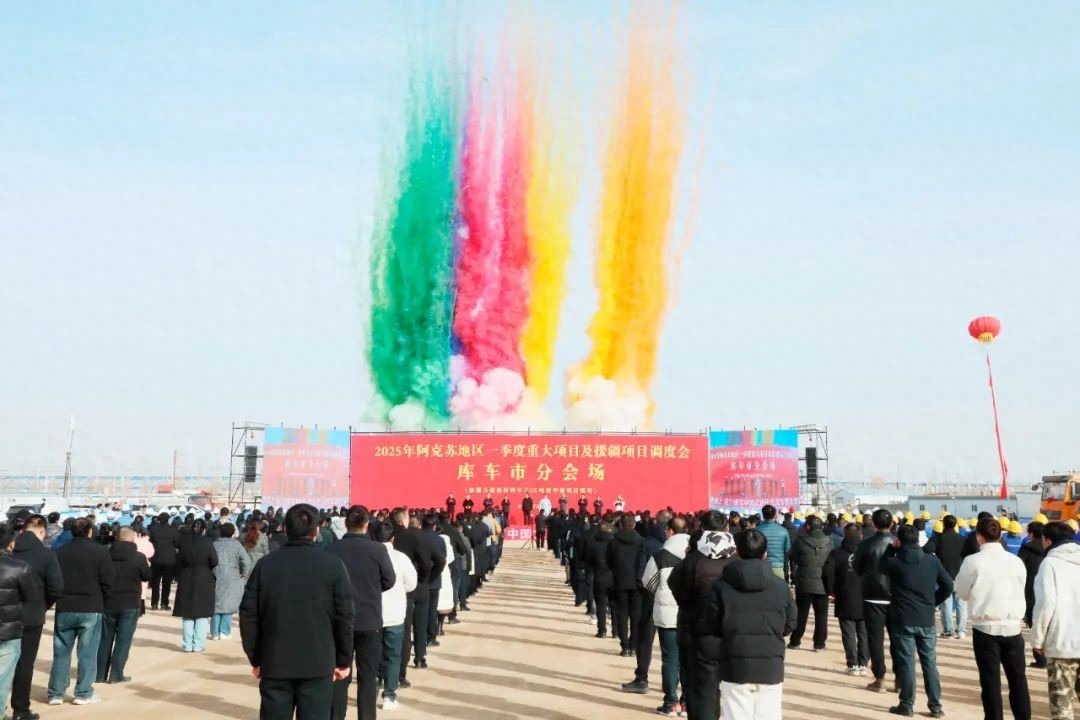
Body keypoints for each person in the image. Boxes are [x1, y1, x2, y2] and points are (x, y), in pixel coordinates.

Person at [240, 504, 354, 720]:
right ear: (317, 531)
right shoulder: (333, 565)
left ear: (285, 529)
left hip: (275, 660)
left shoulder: (266, 565)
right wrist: (343, 660)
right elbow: (345, 616)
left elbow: (248, 614)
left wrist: (256, 656)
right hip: (318, 662)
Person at [706, 528, 796, 720]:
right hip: (771, 663)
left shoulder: (720, 586)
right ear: (765, 554)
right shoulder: (781, 587)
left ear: (737, 552)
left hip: (734, 662)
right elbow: (790, 624)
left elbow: (711, 624)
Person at [954, 517, 1030, 720]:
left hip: (985, 628)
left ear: (979, 536)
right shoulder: (1016, 561)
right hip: (1013, 627)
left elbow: (961, 592)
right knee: (1018, 680)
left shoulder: (972, 561)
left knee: (990, 682)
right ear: (1000, 534)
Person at [667, 512, 737, 720]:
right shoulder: (737, 557)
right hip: (732, 630)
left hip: (696, 631)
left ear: (702, 528)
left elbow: (677, 587)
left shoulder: (693, 559)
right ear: (726, 528)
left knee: (702, 691)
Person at [328, 506, 396, 720]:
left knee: (340, 673)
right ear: (367, 525)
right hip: (369, 619)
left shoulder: (332, 549)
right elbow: (389, 580)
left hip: (339, 621)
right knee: (368, 676)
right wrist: (371, 589)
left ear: (346, 524)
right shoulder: (378, 550)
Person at [881, 523, 951, 718]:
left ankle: (907, 703)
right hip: (926, 618)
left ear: (899, 541)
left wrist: (890, 548)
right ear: (918, 539)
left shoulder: (894, 563)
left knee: (907, 662)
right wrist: (933, 602)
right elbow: (948, 585)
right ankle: (935, 706)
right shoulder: (932, 561)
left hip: (903, 618)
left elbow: (880, 566)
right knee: (929, 663)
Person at [48, 517, 115, 706]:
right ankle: (83, 692)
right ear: (90, 531)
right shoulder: (100, 551)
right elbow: (108, 580)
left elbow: (53, 579)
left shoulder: (60, 551)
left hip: (65, 606)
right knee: (87, 653)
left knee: (61, 652)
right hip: (90, 606)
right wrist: (103, 599)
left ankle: (56, 693)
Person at [10, 514, 62, 720]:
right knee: (25, 663)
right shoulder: (46, 554)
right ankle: (20, 709)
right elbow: (56, 587)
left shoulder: (8, 550)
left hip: (5, 614)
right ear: (42, 531)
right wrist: (43, 605)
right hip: (32, 616)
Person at [641, 516, 690, 717]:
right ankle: (686, 703)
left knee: (670, 659)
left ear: (670, 531)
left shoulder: (660, 556)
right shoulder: (696, 554)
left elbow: (648, 582)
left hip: (667, 614)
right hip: (690, 615)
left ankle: (670, 702)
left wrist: (662, 591)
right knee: (688, 660)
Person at [1030, 521, 1080, 720]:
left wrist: (1037, 640)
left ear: (1048, 541)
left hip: (1062, 646)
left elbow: (1046, 604)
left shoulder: (1049, 564)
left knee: (1062, 709)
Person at [96, 526, 150, 684]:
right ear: (132, 538)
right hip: (130, 602)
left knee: (105, 639)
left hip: (108, 601)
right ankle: (116, 674)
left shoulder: (105, 554)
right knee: (123, 640)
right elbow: (147, 576)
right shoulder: (138, 557)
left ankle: (100, 674)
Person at [374, 521, 416, 711]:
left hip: (372, 614)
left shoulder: (368, 557)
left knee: (373, 653)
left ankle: (375, 683)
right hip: (395, 613)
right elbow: (411, 584)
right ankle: (389, 695)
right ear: (392, 539)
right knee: (393, 654)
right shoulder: (401, 558)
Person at [852, 508, 895, 693]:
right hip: (895, 597)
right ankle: (900, 678)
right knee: (898, 639)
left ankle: (880, 678)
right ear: (891, 523)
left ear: (874, 524)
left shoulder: (866, 544)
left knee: (875, 639)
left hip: (872, 596)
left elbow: (857, 567)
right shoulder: (898, 542)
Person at [391, 509, 434, 689]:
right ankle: (401, 674)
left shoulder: (383, 534)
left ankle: (383, 674)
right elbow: (425, 563)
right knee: (407, 629)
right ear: (403, 520)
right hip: (410, 587)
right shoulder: (413, 536)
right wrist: (421, 579)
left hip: (386, 588)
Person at [0, 525, 35, 718]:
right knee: (2, 679)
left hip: (9, 630)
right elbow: (31, 596)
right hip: (9, 630)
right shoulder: (20, 568)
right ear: (11, 544)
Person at [825, 522, 868, 675]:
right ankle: (863, 663)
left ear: (844, 535)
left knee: (848, 633)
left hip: (844, 596)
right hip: (865, 596)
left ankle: (853, 664)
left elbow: (828, 573)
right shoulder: (867, 552)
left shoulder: (836, 553)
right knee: (864, 632)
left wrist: (831, 591)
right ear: (861, 536)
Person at [173, 518, 218, 652]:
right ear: (204, 530)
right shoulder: (208, 542)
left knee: (187, 612)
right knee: (202, 613)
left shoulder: (184, 542)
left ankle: (187, 644)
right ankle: (198, 644)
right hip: (204, 576)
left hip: (187, 575)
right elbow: (214, 560)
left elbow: (179, 560)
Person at [788, 514, 831, 651]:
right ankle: (819, 644)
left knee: (801, 613)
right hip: (823, 582)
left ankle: (795, 641)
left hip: (804, 581)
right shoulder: (829, 541)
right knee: (821, 615)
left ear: (807, 527)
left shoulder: (801, 541)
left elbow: (793, 556)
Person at [923, 514, 966, 640]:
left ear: (943, 524)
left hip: (944, 575)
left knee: (946, 604)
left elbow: (926, 549)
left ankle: (948, 631)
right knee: (961, 604)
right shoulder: (962, 539)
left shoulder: (938, 538)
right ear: (955, 525)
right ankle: (961, 631)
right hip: (960, 575)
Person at [607, 514, 644, 657]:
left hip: (620, 581)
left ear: (621, 525)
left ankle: (625, 647)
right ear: (634, 524)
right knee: (636, 616)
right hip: (637, 582)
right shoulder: (641, 541)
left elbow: (609, 561)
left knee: (622, 614)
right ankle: (633, 646)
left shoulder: (613, 542)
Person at [211, 522, 251, 641]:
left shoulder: (214, 544)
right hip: (232, 576)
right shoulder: (237, 545)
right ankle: (224, 631)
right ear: (233, 532)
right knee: (229, 602)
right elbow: (246, 560)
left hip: (215, 575)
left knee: (216, 603)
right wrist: (244, 573)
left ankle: (214, 632)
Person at [1018, 521, 1046, 668]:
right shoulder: (1050, 549)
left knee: (1034, 623)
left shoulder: (1026, 548)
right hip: (1047, 589)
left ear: (1031, 533)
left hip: (1030, 589)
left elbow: (1019, 568)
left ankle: (1040, 657)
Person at [585, 522, 615, 640]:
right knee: (614, 605)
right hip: (613, 577)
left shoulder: (593, 544)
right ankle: (616, 631)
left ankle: (602, 630)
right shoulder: (615, 544)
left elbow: (588, 561)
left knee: (601, 605)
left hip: (599, 576)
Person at [148, 512, 179, 611]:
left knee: (155, 583)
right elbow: (176, 543)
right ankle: (164, 603)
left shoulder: (154, 529)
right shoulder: (173, 530)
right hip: (169, 559)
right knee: (166, 583)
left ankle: (154, 603)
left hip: (156, 558)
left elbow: (151, 541)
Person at [758, 505, 791, 580]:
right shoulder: (783, 530)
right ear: (775, 515)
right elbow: (787, 549)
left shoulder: (757, 530)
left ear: (763, 515)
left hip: (762, 567)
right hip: (778, 566)